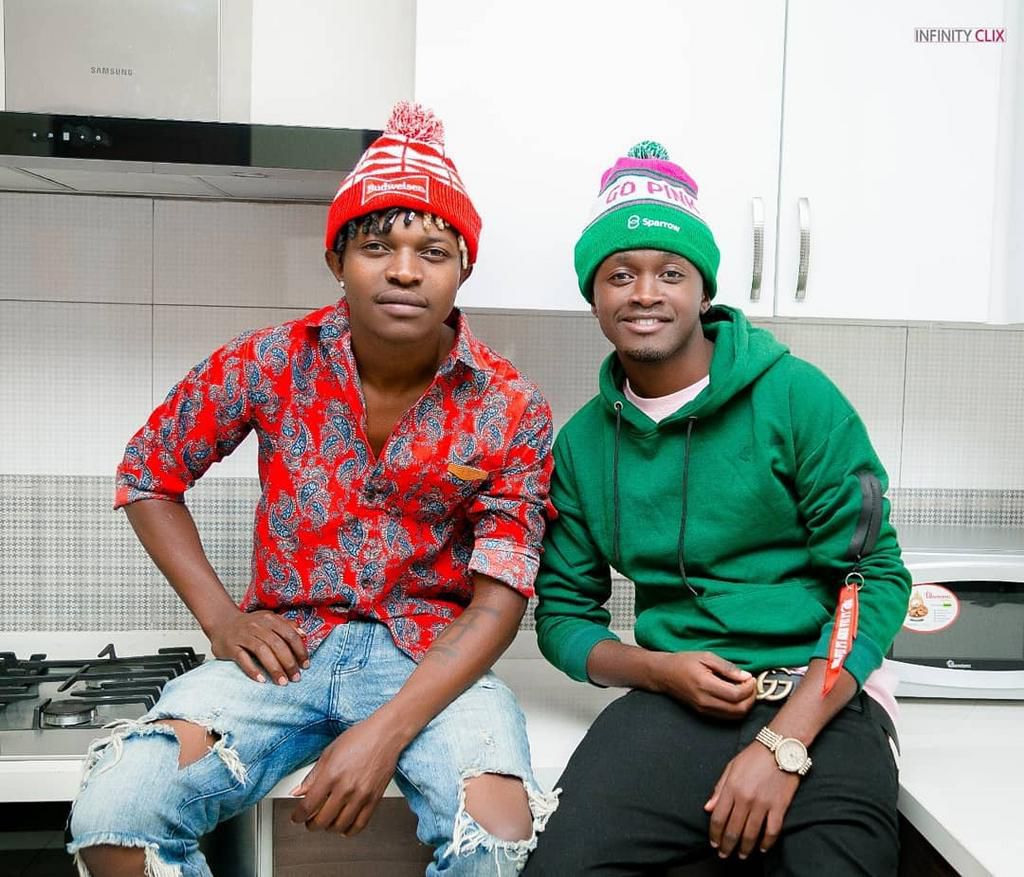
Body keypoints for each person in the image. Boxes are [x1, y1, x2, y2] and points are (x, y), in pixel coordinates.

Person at [68, 102, 559, 877]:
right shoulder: (269, 360)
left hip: (429, 660)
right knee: (114, 815)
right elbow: (148, 472)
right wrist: (222, 617)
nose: (404, 270)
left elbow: (501, 598)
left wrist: (384, 732)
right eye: (376, 246)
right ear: (337, 258)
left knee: (498, 841)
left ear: (462, 268)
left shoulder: (510, 405)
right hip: (283, 658)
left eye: (433, 251)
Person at [523, 141, 911, 875]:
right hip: (674, 703)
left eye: (671, 273)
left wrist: (784, 741)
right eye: (620, 274)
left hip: (818, 697)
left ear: (703, 292)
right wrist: (658, 671)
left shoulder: (797, 397)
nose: (645, 293)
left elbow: (874, 579)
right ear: (594, 297)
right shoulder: (579, 447)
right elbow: (563, 618)